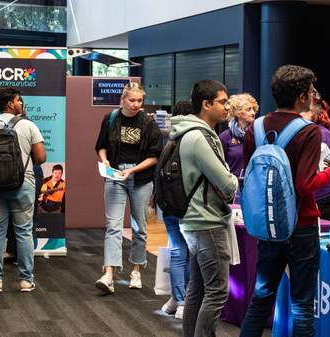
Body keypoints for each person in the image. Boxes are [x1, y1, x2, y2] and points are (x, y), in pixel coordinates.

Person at [240, 65, 330, 337]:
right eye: (310, 91)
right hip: (301, 225)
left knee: (261, 298)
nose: (313, 96)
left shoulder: (256, 126)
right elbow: (305, 185)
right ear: (300, 96)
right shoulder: (308, 131)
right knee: (302, 305)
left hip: (267, 224)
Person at [170, 80, 238, 336]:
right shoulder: (199, 137)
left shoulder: (186, 132)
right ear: (206, 104)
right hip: (206, 221)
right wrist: (232, 179)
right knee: (217, 292)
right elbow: (227, 183)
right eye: (222, 101)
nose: (227, 107)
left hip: (193, 220)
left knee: (197, 290)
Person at [0, 87, 46, 293]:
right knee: (23, 232)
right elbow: (41, 158)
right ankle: (26, 280)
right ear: (9, 105)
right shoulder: (28, 125)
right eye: (18, 100)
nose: (21, 104)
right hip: (22, 184)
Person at [94, 82, 162, 293]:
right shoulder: (111, 119)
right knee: (113, 226)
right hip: (115, 176)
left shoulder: (148, 123)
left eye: (139, 100)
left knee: (139, 227)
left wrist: (132, 171)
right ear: (122, 100)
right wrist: (105, 161)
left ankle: (136, 270)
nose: (135, 104)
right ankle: (109, 274)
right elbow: (101, 146)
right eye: (132, 100)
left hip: (140, 178)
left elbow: (154, 156)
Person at [161, 100, 193, 320]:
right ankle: (183, 301)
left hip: (168, 205)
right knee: (187, 253)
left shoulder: (169, 140)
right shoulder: (194, 139)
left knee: (177, 251)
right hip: (188, 206)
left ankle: (177, 299)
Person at [219, 93, 259, 178]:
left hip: (254, 186)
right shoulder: (225, 137)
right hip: (233, 187)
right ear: (238, 113)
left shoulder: (258, 134)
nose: (253, 113)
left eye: (253, 109)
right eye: (249, 109)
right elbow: (219, 166)